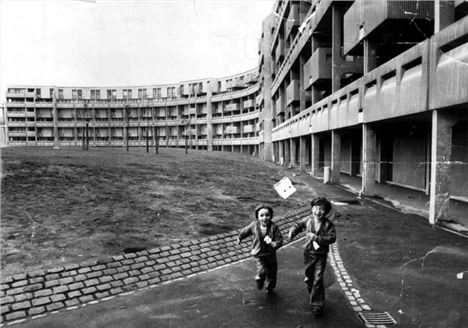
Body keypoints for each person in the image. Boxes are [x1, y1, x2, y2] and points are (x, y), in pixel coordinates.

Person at [288, 197, 336, 316]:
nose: (317, 212)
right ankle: (310, 283)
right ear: (312, 209)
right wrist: (292, 231)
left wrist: (317, 238)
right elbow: (298, 225)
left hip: (321, 255)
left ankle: (317, 305)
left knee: (318, 279)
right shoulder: (309, 220)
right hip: (308, 253)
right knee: (310, 275)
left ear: (326, 212)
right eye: (315, 208)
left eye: (321, 210)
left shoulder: (328, 225)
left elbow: (332, 238)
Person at [238, 204, 283, 294]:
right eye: (261, 216)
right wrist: (240, 237)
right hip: (259, 254)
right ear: (257, 217)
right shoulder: (254, 225)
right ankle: (260, 279)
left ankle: (269, 287)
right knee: (262, 271)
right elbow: (245, 231)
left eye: (267, 215)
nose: (265, 218)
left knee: (272, 272)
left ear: (271, 216)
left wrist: (273, 243)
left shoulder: (274, 227)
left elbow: (279, 240)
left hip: (270, 254)